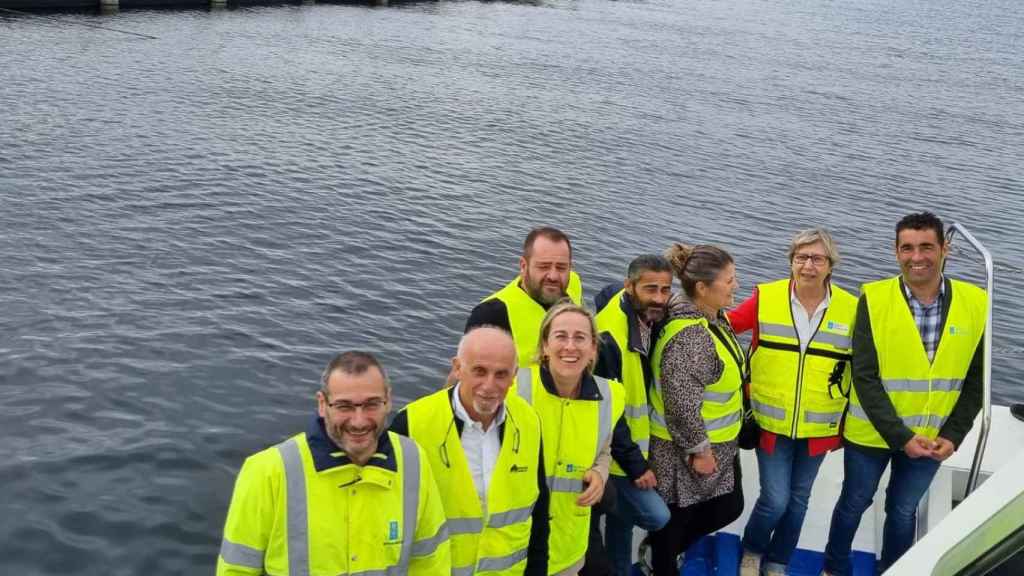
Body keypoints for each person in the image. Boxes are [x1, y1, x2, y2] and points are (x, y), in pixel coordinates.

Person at [822, 212, 986, 576]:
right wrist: (901, 436)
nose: (917, 257)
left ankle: (894, 570)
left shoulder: (976, 303)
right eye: (907, 248)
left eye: (927, 247)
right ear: (896, 252)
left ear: (945, 248)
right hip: (871, 434)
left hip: (931, 438)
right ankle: (834, 569)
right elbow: (864, 376)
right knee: (854, 503)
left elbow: (978, 381)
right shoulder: (875, 299)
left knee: (902, 512)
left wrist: (953, 435)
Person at [217, 351, 451, 575]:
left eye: (371, 404)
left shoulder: (413, 460)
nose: (359, 421)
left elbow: (431, 562)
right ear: (322, 404)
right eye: (344, 406)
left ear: (388, 401)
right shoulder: (267, 472)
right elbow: (236, 570)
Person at [727, 229, 857, 576]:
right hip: (770, 422)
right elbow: (724, 327)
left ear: (831, 265)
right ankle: (753, 551)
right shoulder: (766, 298)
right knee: (774, 500)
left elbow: (864, 368)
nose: (808, 265)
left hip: (820, 427)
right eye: (801, 257)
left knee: (799, 501)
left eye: (817, 258)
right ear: (791, 262)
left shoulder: (852, 308)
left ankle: (779, 561)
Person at [390, 326, 550, 575]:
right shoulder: (411, 424)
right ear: (457, 368)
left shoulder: (528, 421)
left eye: (501, 374)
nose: (489, 385)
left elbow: (538, 511)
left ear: (514, 375)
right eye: (479, 371)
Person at [648, 243, 746, 575]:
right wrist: (699, 450)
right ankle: (661, 563)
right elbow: (681, 403)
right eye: (729, 280)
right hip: (684, 450)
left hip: (719, 441)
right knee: (679, 518)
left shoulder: (713, 318)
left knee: (725, 507)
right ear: (702, 288)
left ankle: (664, 554)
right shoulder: (691, 335)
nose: (736, 285)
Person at [512, 301, 626, 575]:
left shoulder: (610, 397)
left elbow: (603, 448)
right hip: (514, 544)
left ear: (593, 349)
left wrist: (599, 473)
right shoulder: (514, 388)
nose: (570, 347)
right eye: (560, 336)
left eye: (580, 338)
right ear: (544, 346)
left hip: (569, 546)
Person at [593, 255, 673, 575]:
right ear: (629, 287)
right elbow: (609, 410)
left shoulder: (643, 318)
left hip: (628, 451)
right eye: (650, 289)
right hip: (612, 455)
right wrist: (636, 465)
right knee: (656, 516)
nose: (659, 298)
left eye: (665, 290)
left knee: (620, 528)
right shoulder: (609, 338)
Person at [466, 227, 584, 367]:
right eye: (543, 266)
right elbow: (465, 378)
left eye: (561, 268)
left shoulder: (574, 284)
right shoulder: (491, 315)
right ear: (523, 266)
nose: (553, 276)